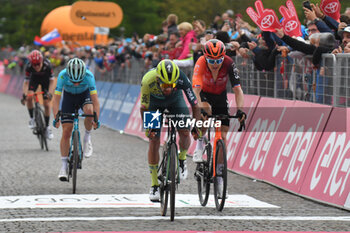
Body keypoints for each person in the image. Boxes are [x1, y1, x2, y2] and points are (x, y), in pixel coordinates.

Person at [191, 39, 246, 198]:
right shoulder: (200, 62)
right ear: (205, 57)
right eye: (211, 60)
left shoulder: (229, 63)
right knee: (205, 110)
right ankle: (200, 144)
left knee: (222, 136)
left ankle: (220, 177)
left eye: (218, 60)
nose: (215, 64)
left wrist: (240, 110)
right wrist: (200, 109)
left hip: (220, 96)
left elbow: (238, 90)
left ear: (223, 57)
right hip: (204, 94)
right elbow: (196, 90)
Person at [140, 59, 201, 202]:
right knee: (154, 140)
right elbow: (143, 107)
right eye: (165, 85)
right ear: (157, 79)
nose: (168, 88)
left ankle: (182, 159)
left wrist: (196, 126)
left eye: (171, 85)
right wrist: (148, 127)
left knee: (185, 131)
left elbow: (195, 105)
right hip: (154, 104)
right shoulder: (148, 80)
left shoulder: (181, 78)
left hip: (175, 101)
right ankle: (154, 184)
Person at [52, 58, 100, 181]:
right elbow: (56, 99)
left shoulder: (89, 76)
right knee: (66, 131)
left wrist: (96, 118)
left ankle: (87, 137)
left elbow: (95, 101)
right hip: (68, 97)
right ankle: (63, 166)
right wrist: (56, 116)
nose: (76, 84)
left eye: (79, 81)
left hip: (84, 96)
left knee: (89, 111)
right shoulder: (62, 76)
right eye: (73, 81)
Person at [21, 50, 55, 140]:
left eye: (38, 64)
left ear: (42, 61)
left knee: (47, 104)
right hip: (34, 80)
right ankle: (32, 118)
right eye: (34, 64)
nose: (36, 66)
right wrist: (24, 94)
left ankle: (47, 127)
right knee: (29, 97)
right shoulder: (28, 67)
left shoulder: (48, 65)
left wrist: (50, 93)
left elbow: (52, 82)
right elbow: (26, 83)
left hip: (46, 81)